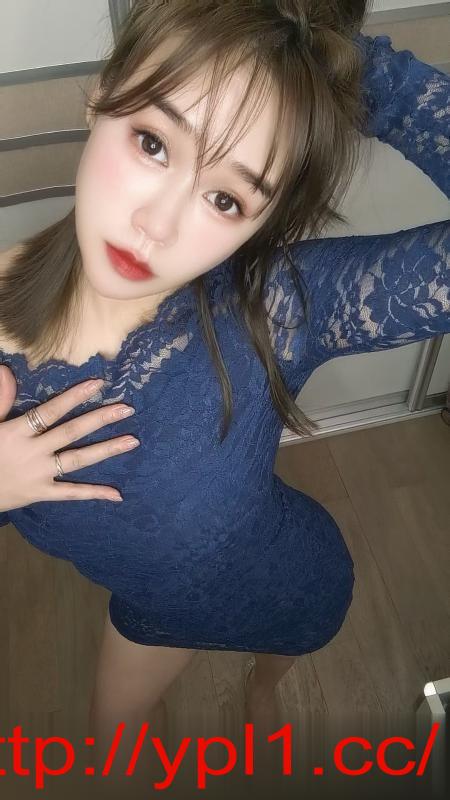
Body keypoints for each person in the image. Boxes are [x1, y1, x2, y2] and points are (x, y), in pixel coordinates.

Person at [0, 0, 448, 769]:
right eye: (152, 143)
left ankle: (263, 687)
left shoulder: (277, 309)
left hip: (291, 579)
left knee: (287, 652)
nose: (158, 225)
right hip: (152, 611)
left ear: (260, 224)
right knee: (114, 750)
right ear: (102, 97)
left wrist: (328, 61)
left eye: (226, 199)